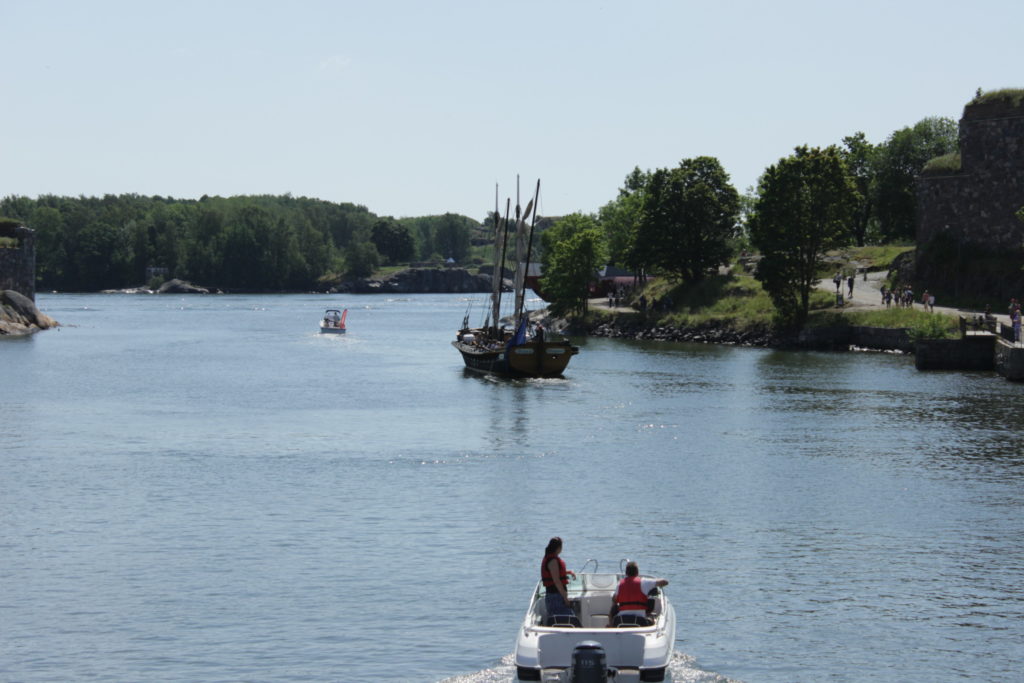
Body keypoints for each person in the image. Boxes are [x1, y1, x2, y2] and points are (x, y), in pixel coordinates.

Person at [541, 537, 576, 618]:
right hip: (555, 597)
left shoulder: (551, 559)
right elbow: (556, 580)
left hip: (556, 596)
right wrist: (565, 598)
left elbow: (555, 573)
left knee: (568, 620)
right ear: (559, 548)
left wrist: (568, 572)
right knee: (569, 620)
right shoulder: (552, 561)